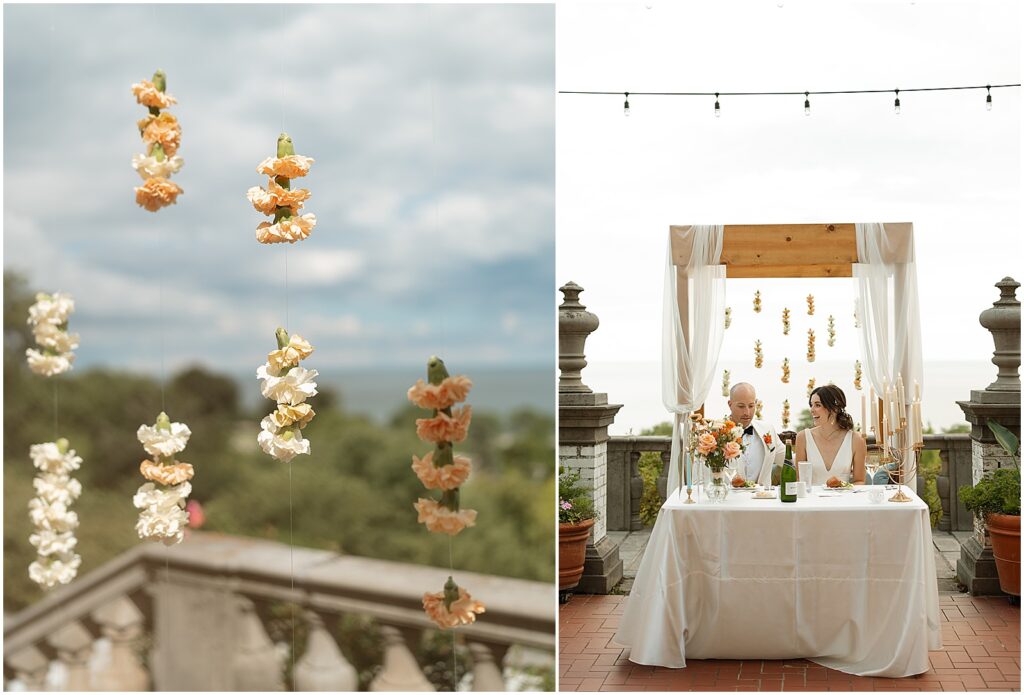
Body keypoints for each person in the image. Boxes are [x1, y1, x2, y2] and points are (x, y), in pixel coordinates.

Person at [795, 384, 867, 486]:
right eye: (811, 405)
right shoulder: (803, 437)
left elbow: (859, 481)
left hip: (844, 500)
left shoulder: (856, 440)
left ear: (835, 409)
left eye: (818, 405)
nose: (812, 410)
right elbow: (799, 480)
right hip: (812, 500)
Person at [727, 382, 783, 487]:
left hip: (762, 500)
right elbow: (700, 481)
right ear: (730, 405)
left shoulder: (768, 430)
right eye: (741, 406)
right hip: (728, 501)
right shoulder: (715, 433)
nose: (747, 412)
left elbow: (788, 460)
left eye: (751, 406)